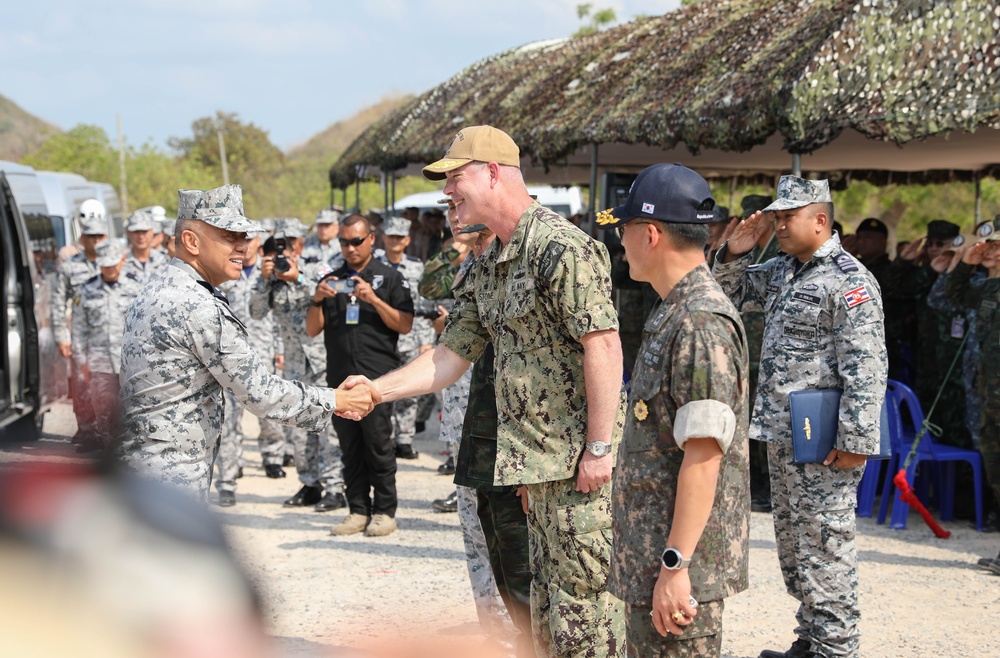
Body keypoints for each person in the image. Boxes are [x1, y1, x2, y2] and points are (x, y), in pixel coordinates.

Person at [342, 125, 627, 658]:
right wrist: (376, 391)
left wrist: (598, 449)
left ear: (493, 172)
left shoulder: (560, 247)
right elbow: (450, 355)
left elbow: (603, 347)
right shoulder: (487, 263)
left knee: (586, 612)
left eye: (455, 179)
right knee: (542, 613)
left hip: (578, 469)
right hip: (535, 469)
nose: (447, 192)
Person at [714, 175, 887, 658]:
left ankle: (836, 648)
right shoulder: (783, 269)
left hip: (826, 438)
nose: (780, 225)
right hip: (784, 430)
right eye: (777, 216)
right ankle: (810, 639)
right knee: (794, 543)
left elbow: (868, 366)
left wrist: (856, 440)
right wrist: (736, 252)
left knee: (825, 544)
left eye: (788, 217)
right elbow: (728, 294)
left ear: (820, 220)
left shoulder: (849, 280)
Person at [117, 184, 375, 499]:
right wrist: (335, 400)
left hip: (143, 465)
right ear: (190, 241)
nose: (243, 246)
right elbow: (258, 392)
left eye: (244, 237)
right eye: (230, 236)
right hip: (170, 473)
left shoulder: (157, 289)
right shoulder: (197, 306)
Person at [600, 164, 750, 658]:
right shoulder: (674, 311)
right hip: (655, 566)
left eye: (623, 231)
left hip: (679, 575)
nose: (621, 243)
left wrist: (674, 564)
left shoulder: (699, 322)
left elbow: (704, 456)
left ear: (650, 233)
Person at [307, 213, 415, 538]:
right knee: (349, 447)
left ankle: (384, 511)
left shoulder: (389, 277)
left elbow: (405, 323)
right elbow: (312, 329)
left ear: (371, 238)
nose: (350, 248)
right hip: (340, 379)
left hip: (377, 380)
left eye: (356, 241)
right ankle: (356, 509)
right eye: (344, 242)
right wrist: (317, 299)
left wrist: (373, 299)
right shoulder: (331, 279)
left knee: (379, 445)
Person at [251, 219, 347, 512]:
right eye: (273, 253)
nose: (281, 258)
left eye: (286, 249)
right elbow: (255, 313)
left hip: (323, 360)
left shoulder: (315, 267)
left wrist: (298, 279)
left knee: (329, 426)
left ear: (298, 248)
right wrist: (263, 280)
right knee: (298, 427)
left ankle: (335, 487)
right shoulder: (268, 279)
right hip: (294, 365)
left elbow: (337, 289)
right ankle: (310, 484)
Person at [215, 227, 290, 507]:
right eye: (240, 238)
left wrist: (280, 350)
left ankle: (273, 457)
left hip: (263, 352)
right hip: (230, 357)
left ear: (259, 242)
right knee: (228, 420)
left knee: (269, 412)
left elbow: (281, 313)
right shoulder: (223, 271)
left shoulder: (271, 271)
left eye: (250, 239)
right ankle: (227, 480)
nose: (244, 244)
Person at [939, 221, 1000, 565]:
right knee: (996, 471)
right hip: (990, 397)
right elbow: (954, 295)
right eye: (992, 244)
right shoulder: (991, 288)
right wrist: (967, 263)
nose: (993, 249)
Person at [70, 238, 143, 453]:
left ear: (122, 261)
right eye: (105, 264)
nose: (109, 268)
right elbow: (79, 330)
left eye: (113, 263)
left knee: (133, 414)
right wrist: (81, 362)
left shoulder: (137, 288)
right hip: (100, 364)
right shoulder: (86, 290)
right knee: (105, 415)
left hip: (131, 364)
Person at [378, 215, 438, 460]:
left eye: (399, 237)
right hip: (381, 339)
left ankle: (404, 439)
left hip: (411, 338)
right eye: (390, 236)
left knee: (409, 392)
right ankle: (386, 438)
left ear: (407, 240)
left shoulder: (415, 266)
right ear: (383, 238)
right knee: (383, 390)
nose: (394, 241)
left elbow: (424, 305)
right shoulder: (374, 265)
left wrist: (425, 340)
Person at [51, 199, 108, 447]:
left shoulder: (116, 264)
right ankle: (87, 432)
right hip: (81, 336)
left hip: (111, 335)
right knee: (83, 386)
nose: (95, 241)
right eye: (90, 236)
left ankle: (109, 434)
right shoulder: (70, 266)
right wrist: (61, 337)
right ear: (82, 237)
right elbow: (56, 302)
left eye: (98, 236)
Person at [123, 209, 169, 285]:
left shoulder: (164, 261)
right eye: (136, 232)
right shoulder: (122, 264)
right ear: (129, 233)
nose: (141, 236)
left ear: (152, 232)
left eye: (144, 231)